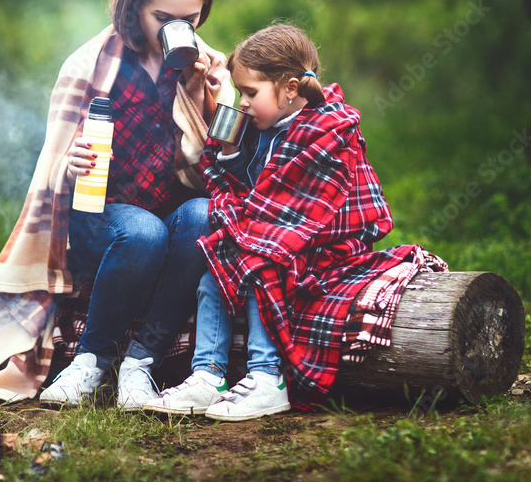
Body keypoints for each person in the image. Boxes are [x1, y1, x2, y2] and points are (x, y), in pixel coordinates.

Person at [144, 23, 446, 420]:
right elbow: (249, 188)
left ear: (289, 89)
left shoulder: (326, 130)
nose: (245, 103)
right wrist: (229, 136)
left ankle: (268, 378)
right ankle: (208, 375)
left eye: (251, 93)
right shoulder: (260, 126)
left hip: (321, 245)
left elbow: (311, 206)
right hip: (274, 237)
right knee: (213, 275)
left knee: (259, 272)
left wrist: (263, 237)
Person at [32, 0, 235, 410]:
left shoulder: (202, 67)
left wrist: (221, 96)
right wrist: (72, 161)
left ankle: (139, 364)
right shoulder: (91, 65)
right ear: (134, 3)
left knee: (206, 214)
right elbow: (52, 164)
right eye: (165, 19)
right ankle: (90, 362)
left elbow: (226, 162)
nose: (178, 29)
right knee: (143, 232)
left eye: (191, 19)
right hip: (99, 218)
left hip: (169, 214)